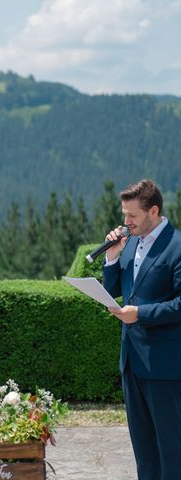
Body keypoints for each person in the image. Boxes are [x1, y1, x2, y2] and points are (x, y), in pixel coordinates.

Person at [102, 179, 181, 480]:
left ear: (154, 211)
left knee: (171, 450)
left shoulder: (177, 246)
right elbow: (118, 290)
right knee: (144, 449)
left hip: (165, 365)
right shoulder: (130, 242)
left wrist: (141, 314)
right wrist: (112, 257)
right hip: (131, 361)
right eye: (124, 215)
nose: (126, 222)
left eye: (132, 215)